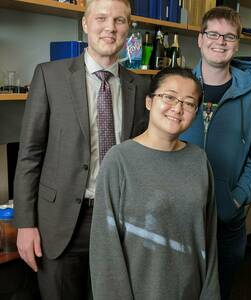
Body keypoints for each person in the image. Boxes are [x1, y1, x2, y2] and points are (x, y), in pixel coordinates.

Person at [13, 0, 150, 299]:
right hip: (59, 222)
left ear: (128, 28)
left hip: (118, 219)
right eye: (101, 18)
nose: (110, 27)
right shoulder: (49, 75)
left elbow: (142, 160)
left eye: (119, 20)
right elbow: (29, 155)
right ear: (86, 24)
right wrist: (25, 224)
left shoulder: (140, 86)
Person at [90, 67, 220, 300]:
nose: (178, 108)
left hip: (191, 291)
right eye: (169, 97)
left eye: (189, 103)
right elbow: (105, 250)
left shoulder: (199, 160)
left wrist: (210, 294)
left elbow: (208, 237)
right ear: (149, 102)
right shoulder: (119, 160)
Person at [180, 6, 251, 300]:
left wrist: (236, 197)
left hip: (228, 219)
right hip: (180, 217)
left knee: (220, 290)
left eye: (229, 36)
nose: (220, 42)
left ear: (237, 44)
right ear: (200, 38)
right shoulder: (178, 86)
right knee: (177, 288)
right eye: (213, 33)